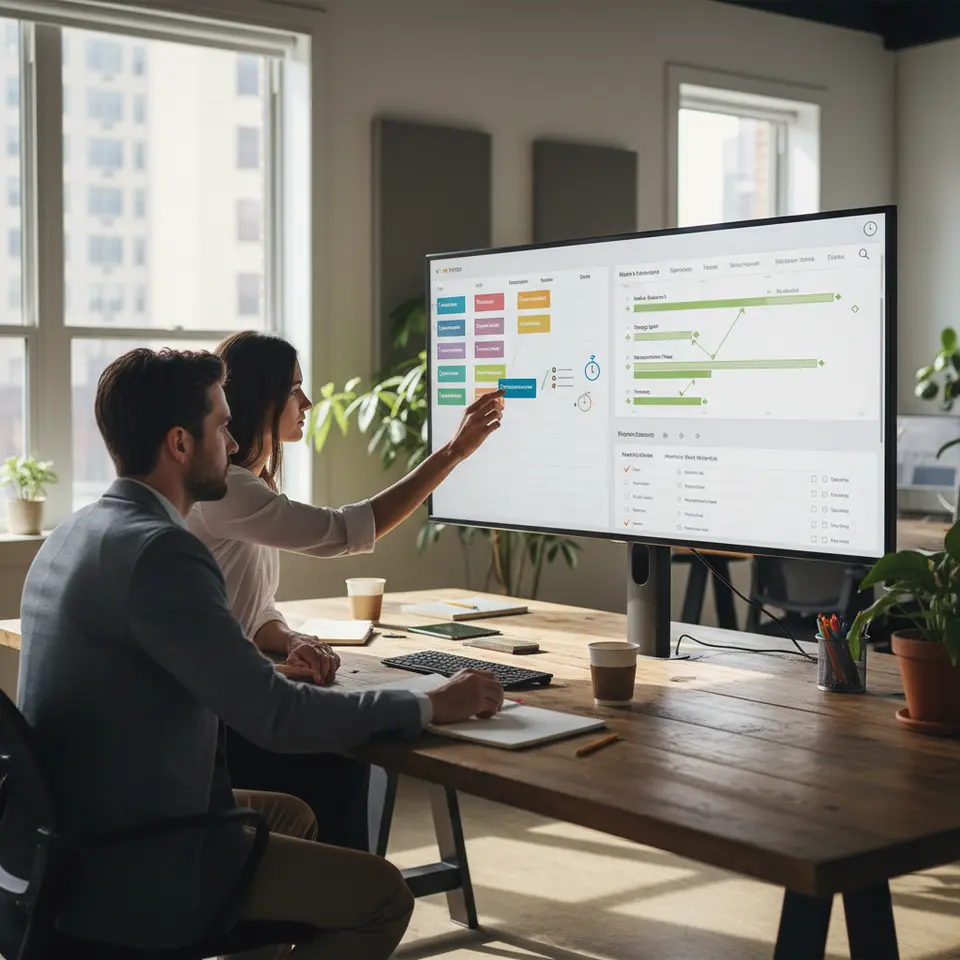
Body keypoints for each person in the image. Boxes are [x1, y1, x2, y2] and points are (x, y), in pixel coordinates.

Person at [16, 347, 503, 957]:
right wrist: (430, 703)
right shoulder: (162, 552)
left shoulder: (74, 531)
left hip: (70, 829)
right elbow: (276, 715)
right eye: (221, 427)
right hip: (136, 854)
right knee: (384, 896)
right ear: (180, 444)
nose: (233, 441)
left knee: (294, 816)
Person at [187, 331, 504, 851]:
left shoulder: (252, 486)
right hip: (226, 720)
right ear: (262, 398)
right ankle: (346, 896)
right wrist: (453, 453)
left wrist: (287, 638)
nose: (308, 403)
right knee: (345, 749)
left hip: (231, 698)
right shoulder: (226, 487)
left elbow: (250, 608)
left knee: (345, 739)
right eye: (295, 390)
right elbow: (347, 530)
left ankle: (339, 895)